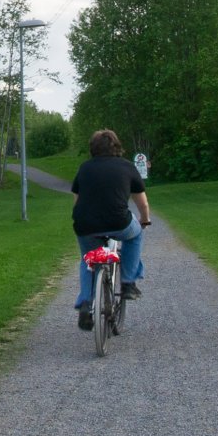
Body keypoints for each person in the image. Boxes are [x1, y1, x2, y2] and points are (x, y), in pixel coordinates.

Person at [70, 128, 151, 331]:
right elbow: (142, 204)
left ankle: (86, 305)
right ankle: (128, 284)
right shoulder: (127, 167)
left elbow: (76, 202)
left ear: (93, 148)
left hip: (85, 224)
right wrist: (144, 220)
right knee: (135, 235)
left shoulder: (85, 168)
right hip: (119, 222)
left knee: (89, 259)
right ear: (116, 146)